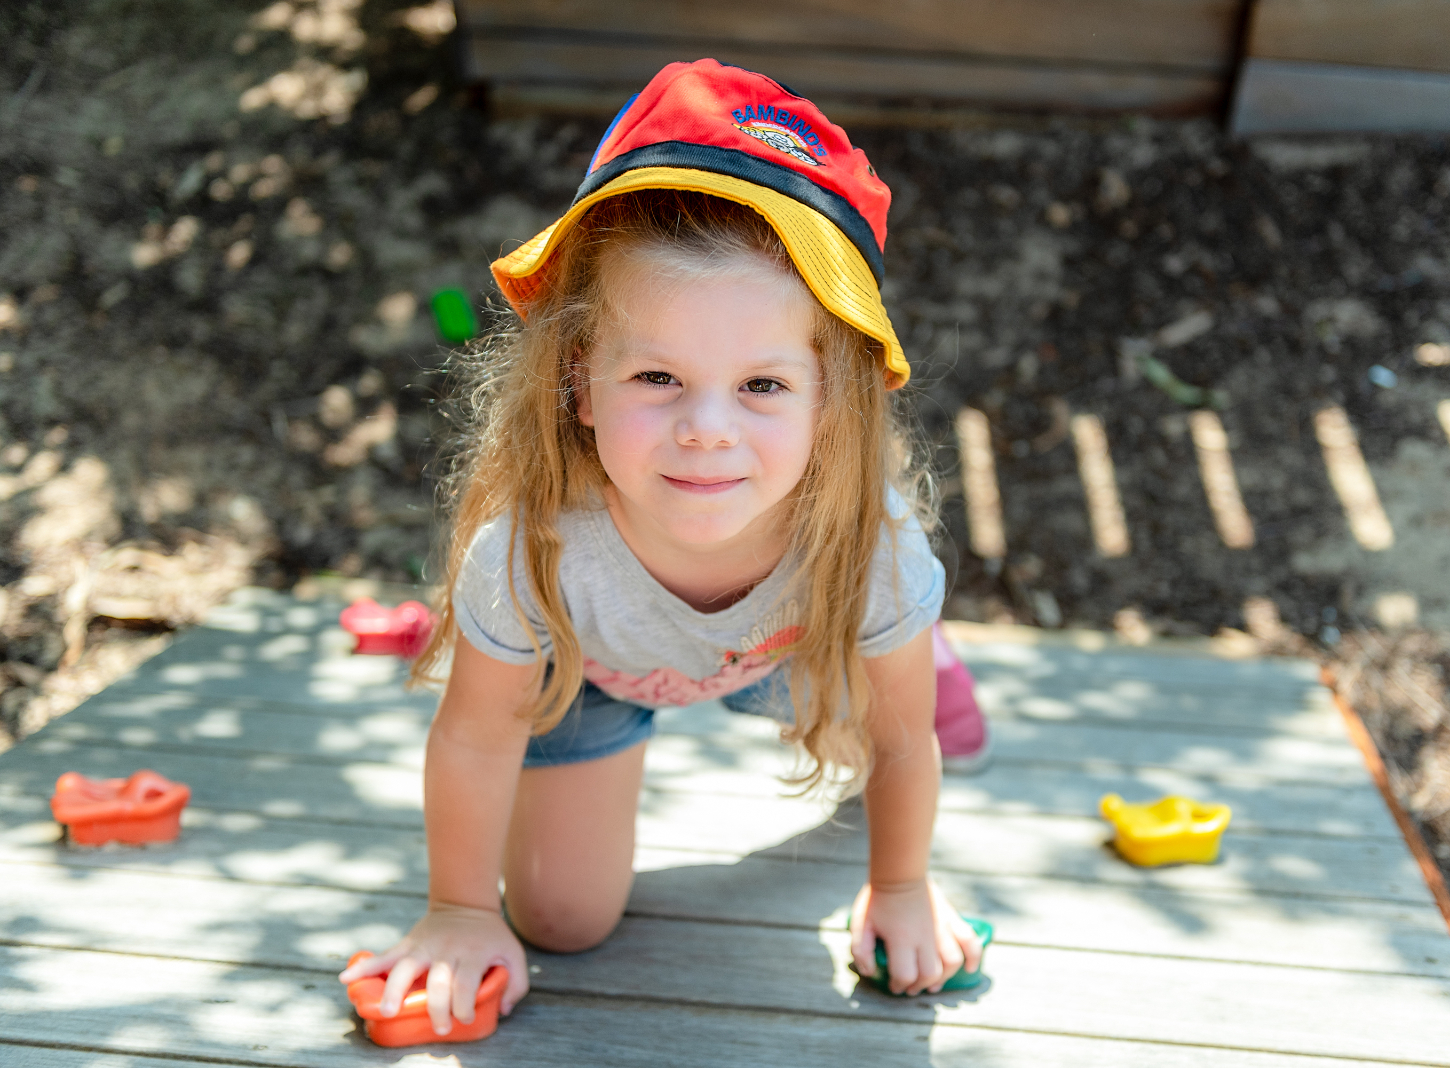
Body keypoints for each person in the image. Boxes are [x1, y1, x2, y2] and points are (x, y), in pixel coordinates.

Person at [338, 58, 992, 1037]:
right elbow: (476, 735)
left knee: (898, 717)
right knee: (560, 919)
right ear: (578, 381)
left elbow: (902, 746)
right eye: (656, 376)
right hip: (592, 672)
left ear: (831, 399)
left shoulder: (867, 550)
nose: (706, 429)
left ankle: (909, 648)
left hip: (798, 645)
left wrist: (899, 887)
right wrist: (461, 912)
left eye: (763, 386)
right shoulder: (534, 551)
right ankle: (890, 648)